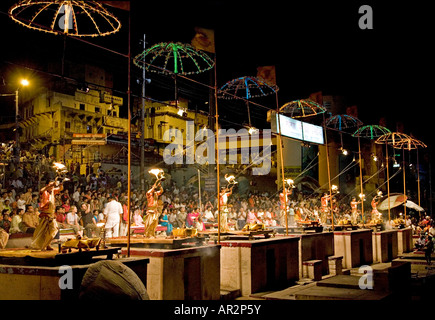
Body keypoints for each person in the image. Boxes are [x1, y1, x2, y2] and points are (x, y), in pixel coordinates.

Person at [30, 180, 63, 251]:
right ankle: (44, 245)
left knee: (52, 230)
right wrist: (51, 185)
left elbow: (60, 189)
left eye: (53, 186)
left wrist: (61, 183)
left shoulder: (52, 191)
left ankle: (47, 244)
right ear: (47, 185)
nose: (52, 187)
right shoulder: (44, 192)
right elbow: (42, 189)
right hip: (45, 214)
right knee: (43, 231)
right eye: (50, 185)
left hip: (51, 213)